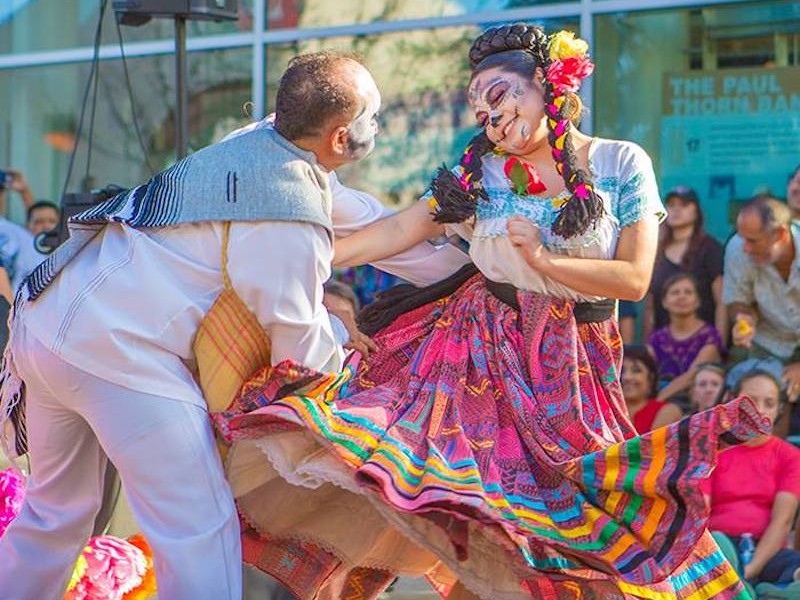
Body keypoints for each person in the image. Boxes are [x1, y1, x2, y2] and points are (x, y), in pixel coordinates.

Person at [215, 24, 766, 599]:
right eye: (481, 111)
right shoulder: (484, 173)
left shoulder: (621, 163)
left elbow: (632, 281)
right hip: (478, 353)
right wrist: (311, 258)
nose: (492, 119)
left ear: (551, 86)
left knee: (577, 520)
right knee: (470, 506)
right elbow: (403, 227)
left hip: (575, 367)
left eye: (501, 96)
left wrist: (543, 259)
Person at [0, 50, 418, 600]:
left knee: (56, 514)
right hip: (118, 353)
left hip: (48, 323)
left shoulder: (256, 145)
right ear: (341, 138)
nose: (378, 126)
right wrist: (350, 353)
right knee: (198, 526)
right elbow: (299, 341)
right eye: (374, 116)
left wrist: (456, 254)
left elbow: (365, 216)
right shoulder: (286, 210)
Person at [702, 367, 800, 595]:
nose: (761, 411)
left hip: (769, 551)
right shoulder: (712, 450)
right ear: (733, 402)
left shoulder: (790, 456)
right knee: (718, 546)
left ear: (779, 409)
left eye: (770, 403)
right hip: (720, 548)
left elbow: (782, 522)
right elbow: (700, 511)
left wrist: (748, 571)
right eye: (752, 401)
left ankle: (748, 590)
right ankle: (759, 593)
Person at [724, 195, 800, 423]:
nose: (745, 248)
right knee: (763, 408)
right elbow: (738, 300)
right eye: (742, 238)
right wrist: (743, 320)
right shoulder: (737, 248)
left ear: (780, 234)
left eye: (753, 241)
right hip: (770, 342)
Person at [643, 186, 725, 341]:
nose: (676, 210)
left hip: (703, 344)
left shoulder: (710, 249)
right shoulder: (656, 251)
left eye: (684, 205)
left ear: (696, 211)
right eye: (672, 205)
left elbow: (721, 301)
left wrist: (718, 346)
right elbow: (650, 307)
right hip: (663, 346)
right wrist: (647, 349)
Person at [647, 273, 723, 402]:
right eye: (675, 292)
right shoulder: (656, 338)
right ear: (664, 302)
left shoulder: (709, 336)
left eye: (688, 292)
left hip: (696, 403)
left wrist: (656, 402)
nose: (682, 297)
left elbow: (691, 376)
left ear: (697, 301)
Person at [622, 344, 683, 433]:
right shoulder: (604, 413)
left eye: (636, 371)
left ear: (651, 378)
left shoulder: (668, 411)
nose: (627, 377)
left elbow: (650, 446)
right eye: (621, 370)